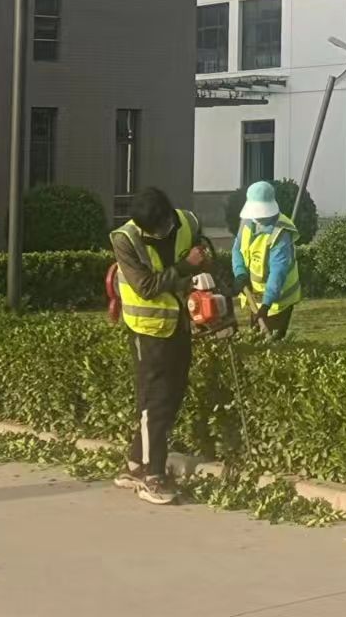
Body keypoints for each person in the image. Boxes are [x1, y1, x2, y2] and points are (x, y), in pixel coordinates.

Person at [109, 186, 210, 505]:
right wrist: (185, 267)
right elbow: (147, 286)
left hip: (180, 323)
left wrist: (204, 262)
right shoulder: (125, 240)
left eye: (161, 227)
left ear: (169, 215)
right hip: (148, 330)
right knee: (155, 401)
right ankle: (152, 476)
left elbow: (203, 249)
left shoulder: (187, 221)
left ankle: (134, 465)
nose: (158, 234)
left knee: (172, 395)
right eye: (151, 231)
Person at [232, 180, 301, 339]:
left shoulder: (280, 233)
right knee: (256, 340)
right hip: (255, 297)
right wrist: (240, 273)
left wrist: (266, 305)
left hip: (278, 301)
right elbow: (237, 249)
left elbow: (278, 272)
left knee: (272, 344)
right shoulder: (247, 222)